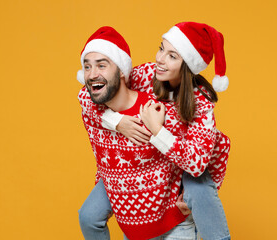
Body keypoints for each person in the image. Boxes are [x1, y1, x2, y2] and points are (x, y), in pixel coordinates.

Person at [78, 22, 231, 240]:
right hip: (136, 168)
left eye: (172, 56)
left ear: (187, 65)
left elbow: (200, 161)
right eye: (161, 49)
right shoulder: (146, 75)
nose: (160, 59)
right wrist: (117, 121)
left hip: (183, 165)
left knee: (198, 189)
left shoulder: (200, 101)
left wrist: (158, 131)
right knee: (89, 214)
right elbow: (91, 93)